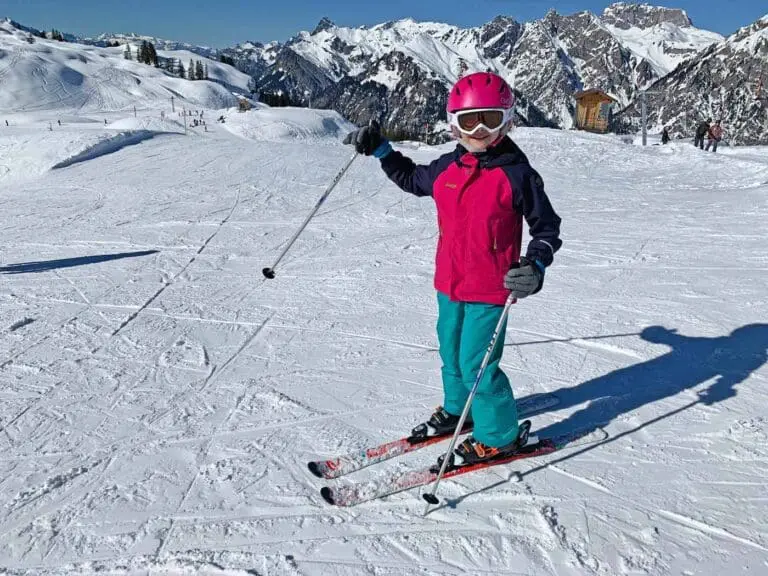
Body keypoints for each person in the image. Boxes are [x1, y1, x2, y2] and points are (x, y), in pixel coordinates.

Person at [343, 72, 562, 465]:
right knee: (451, 352)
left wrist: (536, 264)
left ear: (508, 120)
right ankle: (459, 409)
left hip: (492, 288)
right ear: (452, 123)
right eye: (468, 120)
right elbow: (411, 178)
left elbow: (546, 226)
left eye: (490, 119)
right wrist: (382, 151)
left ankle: (499, 435)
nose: (478, 130)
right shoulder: (448, 166)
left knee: (477, 363)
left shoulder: (518, 175)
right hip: (449, 283)